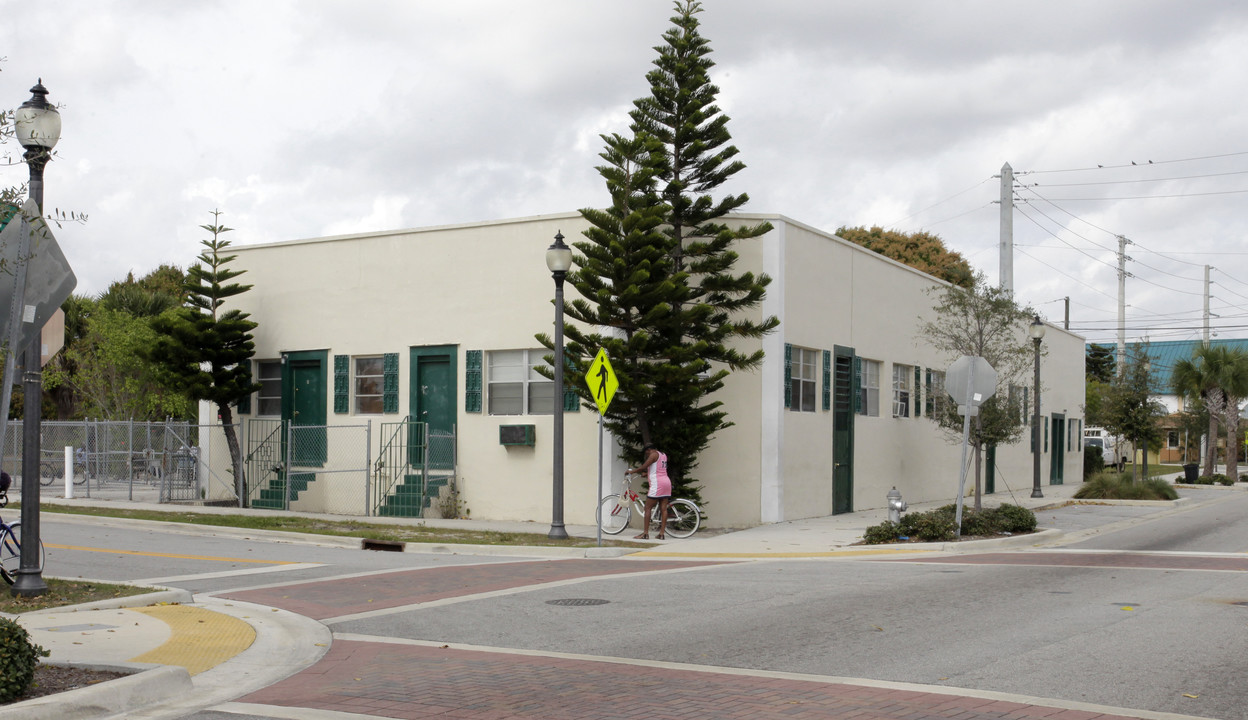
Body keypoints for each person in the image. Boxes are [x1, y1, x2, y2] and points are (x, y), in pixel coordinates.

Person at [626, 444, 672, 540]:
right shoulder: (663, 455)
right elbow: (660, 469)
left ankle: (645, 534)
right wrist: (647, 474)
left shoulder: (653, 454)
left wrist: (632, 472)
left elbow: (643, 466)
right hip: (666, 482)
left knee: (647, 508)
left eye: (646, 452)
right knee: (663, 509)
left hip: (657, 484)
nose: (646, 454)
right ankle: (661, 534)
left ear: (649, 450)